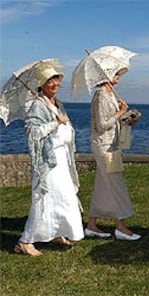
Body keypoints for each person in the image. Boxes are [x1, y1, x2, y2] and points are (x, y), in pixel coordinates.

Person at [14, 61, 84, 256]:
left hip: (61, 158)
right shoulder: (37, 105)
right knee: (43, 199)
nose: (54, 84)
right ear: (41, 84)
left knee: (63, 197)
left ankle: (56, 232)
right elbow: (33, 134)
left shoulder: (56, 103)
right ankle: (25, 241)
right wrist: (54, 123)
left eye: (55, 79)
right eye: (49, 81)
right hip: (47, 162)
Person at [85, 66, 141, 241]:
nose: (118, 76)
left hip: (111, 144)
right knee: (116, 184)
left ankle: (91, 225)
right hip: (103, 146)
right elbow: (102, 125)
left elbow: (112, 122)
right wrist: (120, 112)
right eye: (115, 73)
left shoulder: (110, 94)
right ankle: (121, 227)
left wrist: (126, 118)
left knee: (103, 185)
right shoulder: (101, 94)